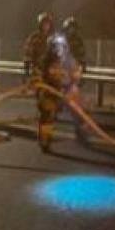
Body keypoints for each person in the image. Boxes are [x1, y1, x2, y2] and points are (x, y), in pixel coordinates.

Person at [23, 12, 61, 152]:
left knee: (51, 111)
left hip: (52, 79)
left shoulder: (54, 39)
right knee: (45, 109)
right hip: (39, 78)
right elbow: (27, 55)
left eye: (48, 23)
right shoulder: (34, 39)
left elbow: (59, 57)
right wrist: (28, 71)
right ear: (40, 24)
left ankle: (47, 137)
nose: (46, 26)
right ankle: (44, 139)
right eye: (44, 23)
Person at [57, 17, 88, 144]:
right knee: (55, 97)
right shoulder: (61, 41)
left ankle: (79, 127)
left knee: (74, 101)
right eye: (70, 28)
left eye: (73, 28)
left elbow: (82, 56)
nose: (72, 31)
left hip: (73, 73)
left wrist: (82, 71)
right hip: (62, 73)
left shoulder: (78, 41)